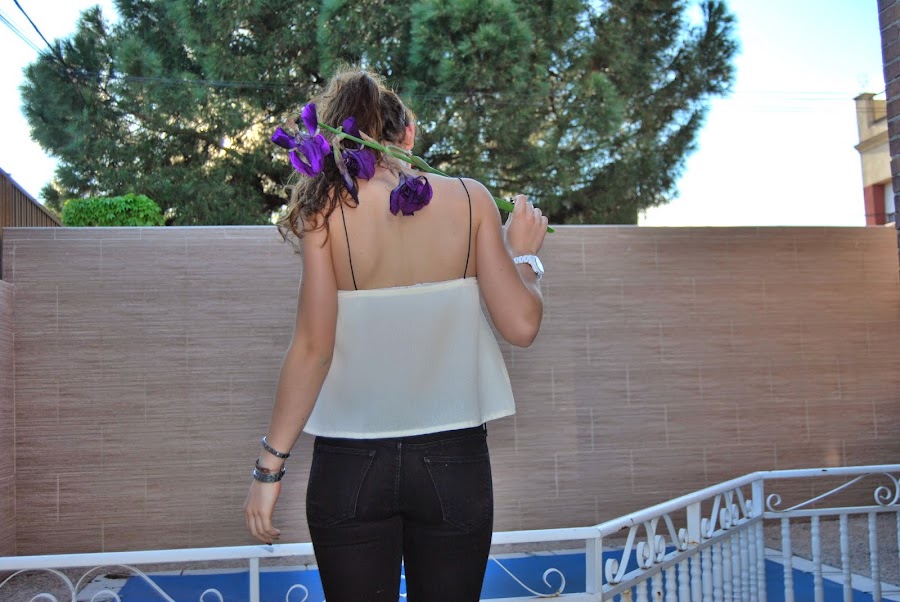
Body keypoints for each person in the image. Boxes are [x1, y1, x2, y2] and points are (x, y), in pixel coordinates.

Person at [244, 67, 548, 602]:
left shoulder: (324, 214)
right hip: (453, 462)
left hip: (350, 466)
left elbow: (313, 350)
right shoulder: (471, 200)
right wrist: (523, 255)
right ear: (407, 134)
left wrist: (269, 471)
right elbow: (522, 326)